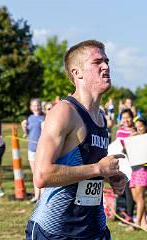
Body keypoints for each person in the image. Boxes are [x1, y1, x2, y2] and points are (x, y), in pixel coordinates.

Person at [25, 40, 127, 240]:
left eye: (106, 61)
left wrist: (109, 176)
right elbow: (42, 175)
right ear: (77, 72)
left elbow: (84, 167)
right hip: (56, 231)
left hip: (93, 228)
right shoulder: (64, 112)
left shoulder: (100, 117)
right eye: (97, 62)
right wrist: (98, 169)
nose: (106, 66)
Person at [130, 116, 147, 230]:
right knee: (136, 197)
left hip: (143, 169)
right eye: (137, 127)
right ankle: (144, 222)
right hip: (134, 169)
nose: (139, 129)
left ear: (146, 127)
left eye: (141, 127)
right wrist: (131, 139)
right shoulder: (135, 137)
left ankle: (136, 223)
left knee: (140, 197)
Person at [21, 98, 45, 203]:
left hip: (42, 150)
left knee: (42, 173)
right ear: (31, 107)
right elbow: (26, 133)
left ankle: (44, 197)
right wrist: (23, 127)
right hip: (31, 149)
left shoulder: (44, 117)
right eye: (34, 105)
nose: (37, 107)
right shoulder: (30, 118)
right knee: (35, 173)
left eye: (38, 105)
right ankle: (36, 196)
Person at [115, 108, 136, 230]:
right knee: (127, 192)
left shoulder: (137, 129)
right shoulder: (119, 132)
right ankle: (128, 216)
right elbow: (120, 147)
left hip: (136, 166)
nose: (126, 120)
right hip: (125, 166)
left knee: (134, 192)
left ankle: (131, 216)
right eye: (123, 118)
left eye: (128, 117)